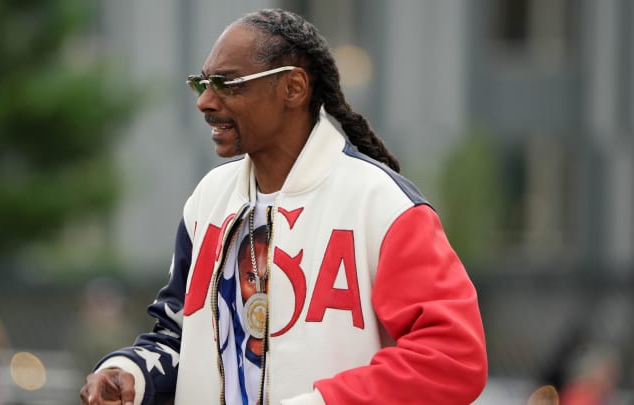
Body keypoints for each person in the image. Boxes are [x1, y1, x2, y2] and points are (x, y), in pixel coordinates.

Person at [80, 8, 487, 405]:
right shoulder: (208, 201)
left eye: (227, 83)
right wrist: (129, 372)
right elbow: (177, 335)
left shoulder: (382, 206)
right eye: (202, 83)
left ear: (293, 88)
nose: (205, 101)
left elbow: (452, 359)